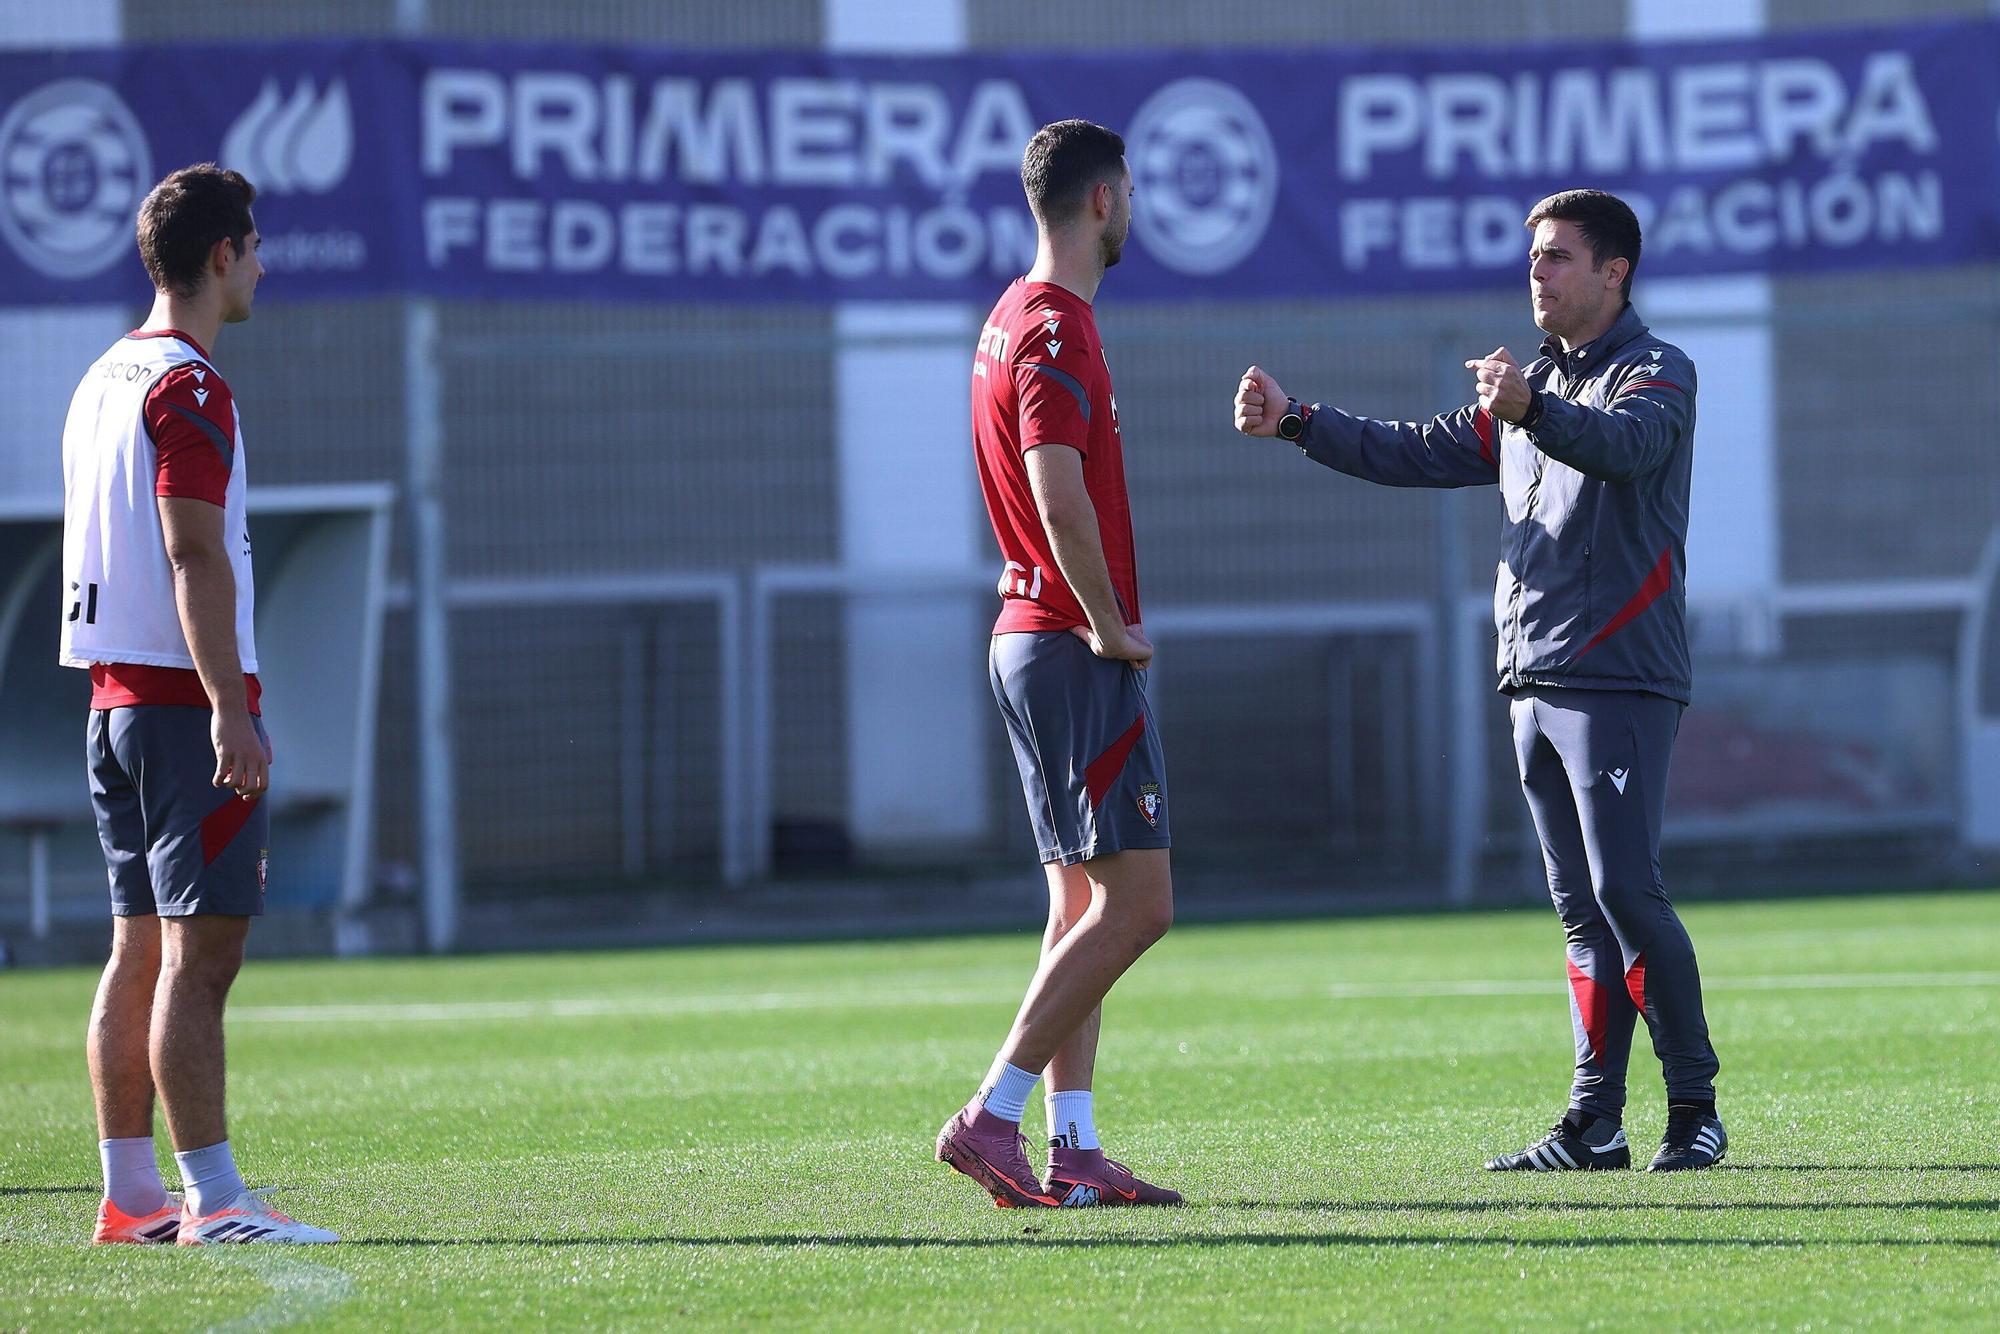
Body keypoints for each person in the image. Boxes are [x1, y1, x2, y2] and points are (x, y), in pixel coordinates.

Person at [1233, 189, 1726, 1173]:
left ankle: (1694, 1110)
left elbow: (1624, 449)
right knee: (1581, 910)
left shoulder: (1656, 371)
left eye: (1557, 256)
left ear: (1614, 272)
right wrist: (1297, 422)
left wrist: (1531, 409)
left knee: (1627, 891)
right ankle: (1595, 1123)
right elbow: (1412, 449)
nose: (1536, 271)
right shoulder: (1530, 389)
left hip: (1618, 675)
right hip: (1532, 678)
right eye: (1533, 256)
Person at [64, 163, 338, 1243]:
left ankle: (132, 1194)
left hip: (112, 705)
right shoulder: (190, 384)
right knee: (199, 959)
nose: (262, 266)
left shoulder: (103, 375)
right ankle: (215, 1200)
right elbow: (192, 552)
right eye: (255, 247)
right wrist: (231, 704)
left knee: (137, 948)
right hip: (182, 708)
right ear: (222, 255)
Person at [934, 119, 1180, 1208]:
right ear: (1103, 199)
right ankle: (991, 1115)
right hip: (1066, 643)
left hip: (1026, 637)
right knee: (1139, 906)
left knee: (1079, 902)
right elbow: (1056, 487)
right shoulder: (1055, 327)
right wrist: (1108, 622)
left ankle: (1073, 1148)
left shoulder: (1008, 313)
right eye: (1131, 192)